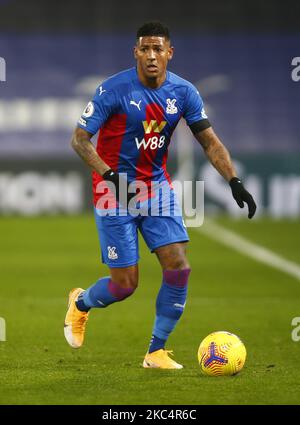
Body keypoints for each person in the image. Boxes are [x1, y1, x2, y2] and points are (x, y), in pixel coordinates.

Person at [64, 22, 256, 369]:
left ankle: (156, 351)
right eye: (145, 49)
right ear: (136, 53)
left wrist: (234, 180)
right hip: (114, 193)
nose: (151, 55)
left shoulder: (184, 92)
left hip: (156, 188)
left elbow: (210, 142)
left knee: (179, 267)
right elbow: (79, 140)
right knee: (125, 285)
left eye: (158, 49)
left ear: (170, 53)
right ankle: (81, 303)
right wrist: (110, 177)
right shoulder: (113, 90)